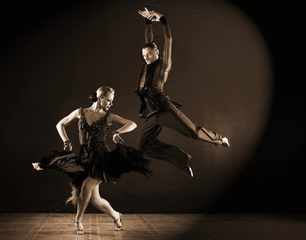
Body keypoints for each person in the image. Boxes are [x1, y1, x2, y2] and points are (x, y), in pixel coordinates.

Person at [32, 86, 151, 235]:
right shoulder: (80, 112)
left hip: (101, 159)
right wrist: (67, 142)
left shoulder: (108, 117)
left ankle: (78, 220)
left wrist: (117, 132)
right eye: (108, 100)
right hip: (85, 157)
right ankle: (116, 216)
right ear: (99, 97)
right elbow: (60, 124)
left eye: (111, 101)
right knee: (95, 199)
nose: (110, 103)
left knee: (86, 187)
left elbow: (132, 124)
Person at [135, 8, 230, 177]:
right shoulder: (146, 65)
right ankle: (181, 159)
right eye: (144, 55)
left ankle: (219, 139)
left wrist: (163, 18)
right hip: (151, 114)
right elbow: (148, 40)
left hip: (164, 110)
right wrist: (148, 20)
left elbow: (168, 40)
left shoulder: (163, 67)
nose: (146, 57)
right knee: (143, 146)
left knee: (192, 132)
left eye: (149, 54)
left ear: (156, 52)